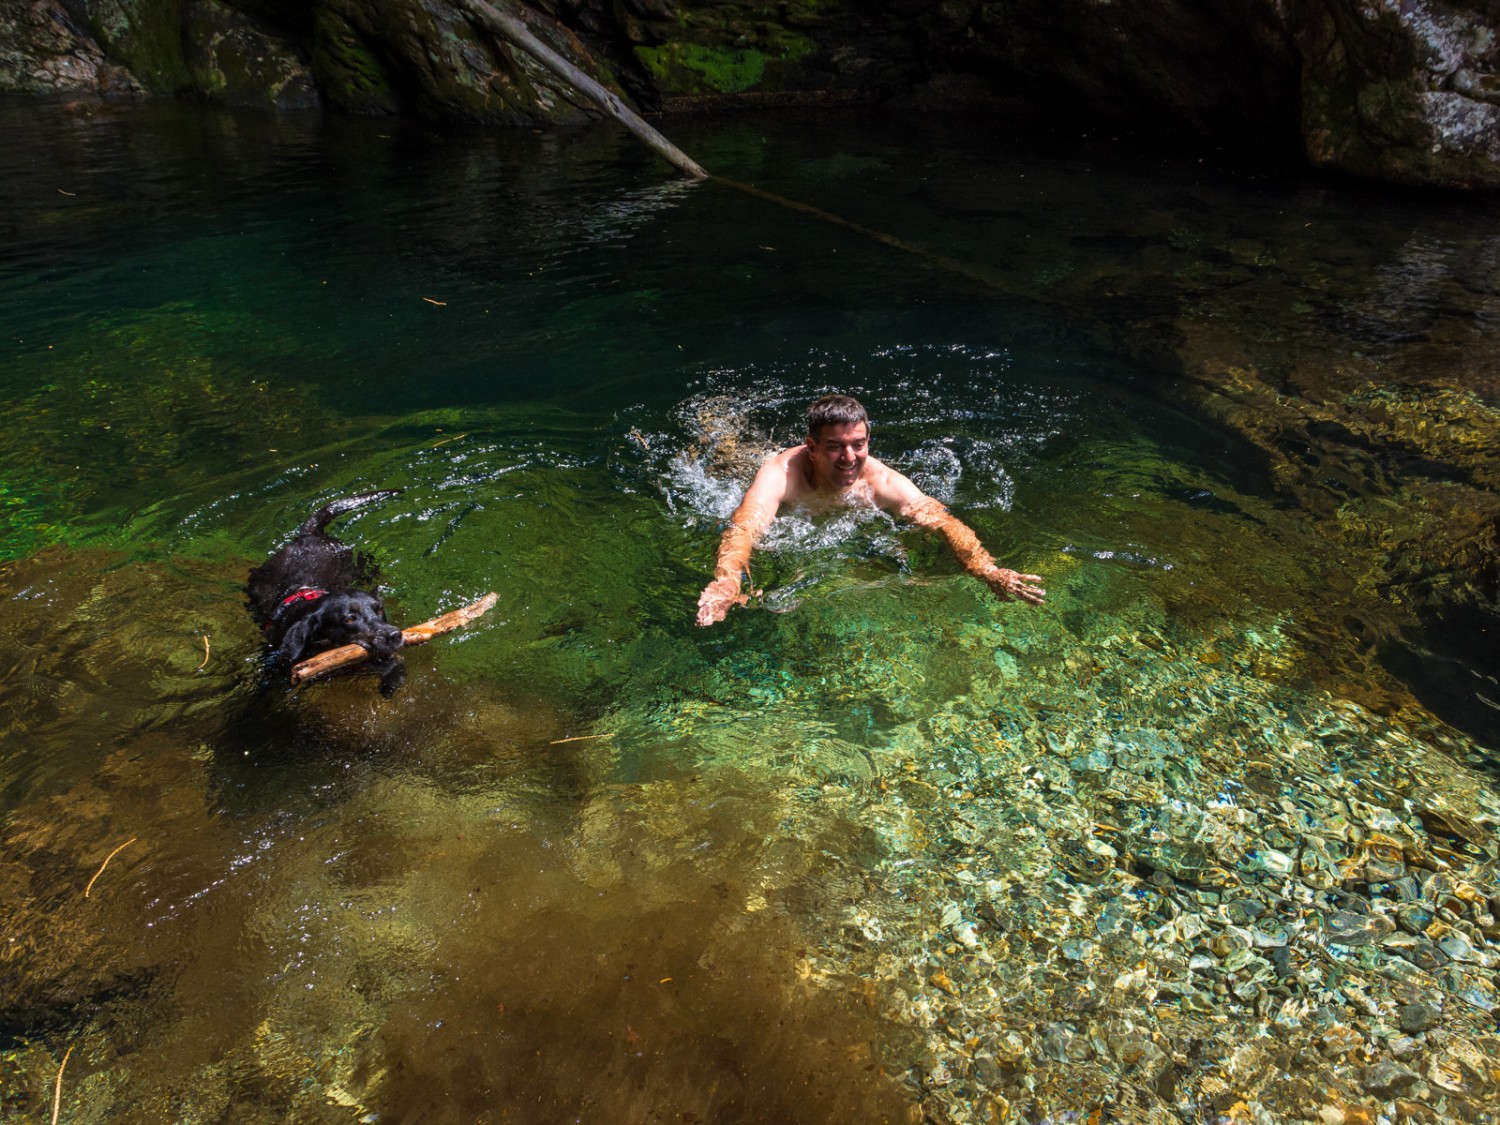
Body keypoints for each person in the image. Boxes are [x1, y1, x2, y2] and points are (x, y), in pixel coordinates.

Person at [695, 394, 1046, 626]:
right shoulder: (781, 475)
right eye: (835, 447)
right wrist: (727, 582)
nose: (850, 458)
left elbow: (942, 521)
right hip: (759, 470)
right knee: (728, 461)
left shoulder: (881, 482)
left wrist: (987, 570)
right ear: (812, 448)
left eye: (858, 445)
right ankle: (718, 430)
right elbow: (744, 528)